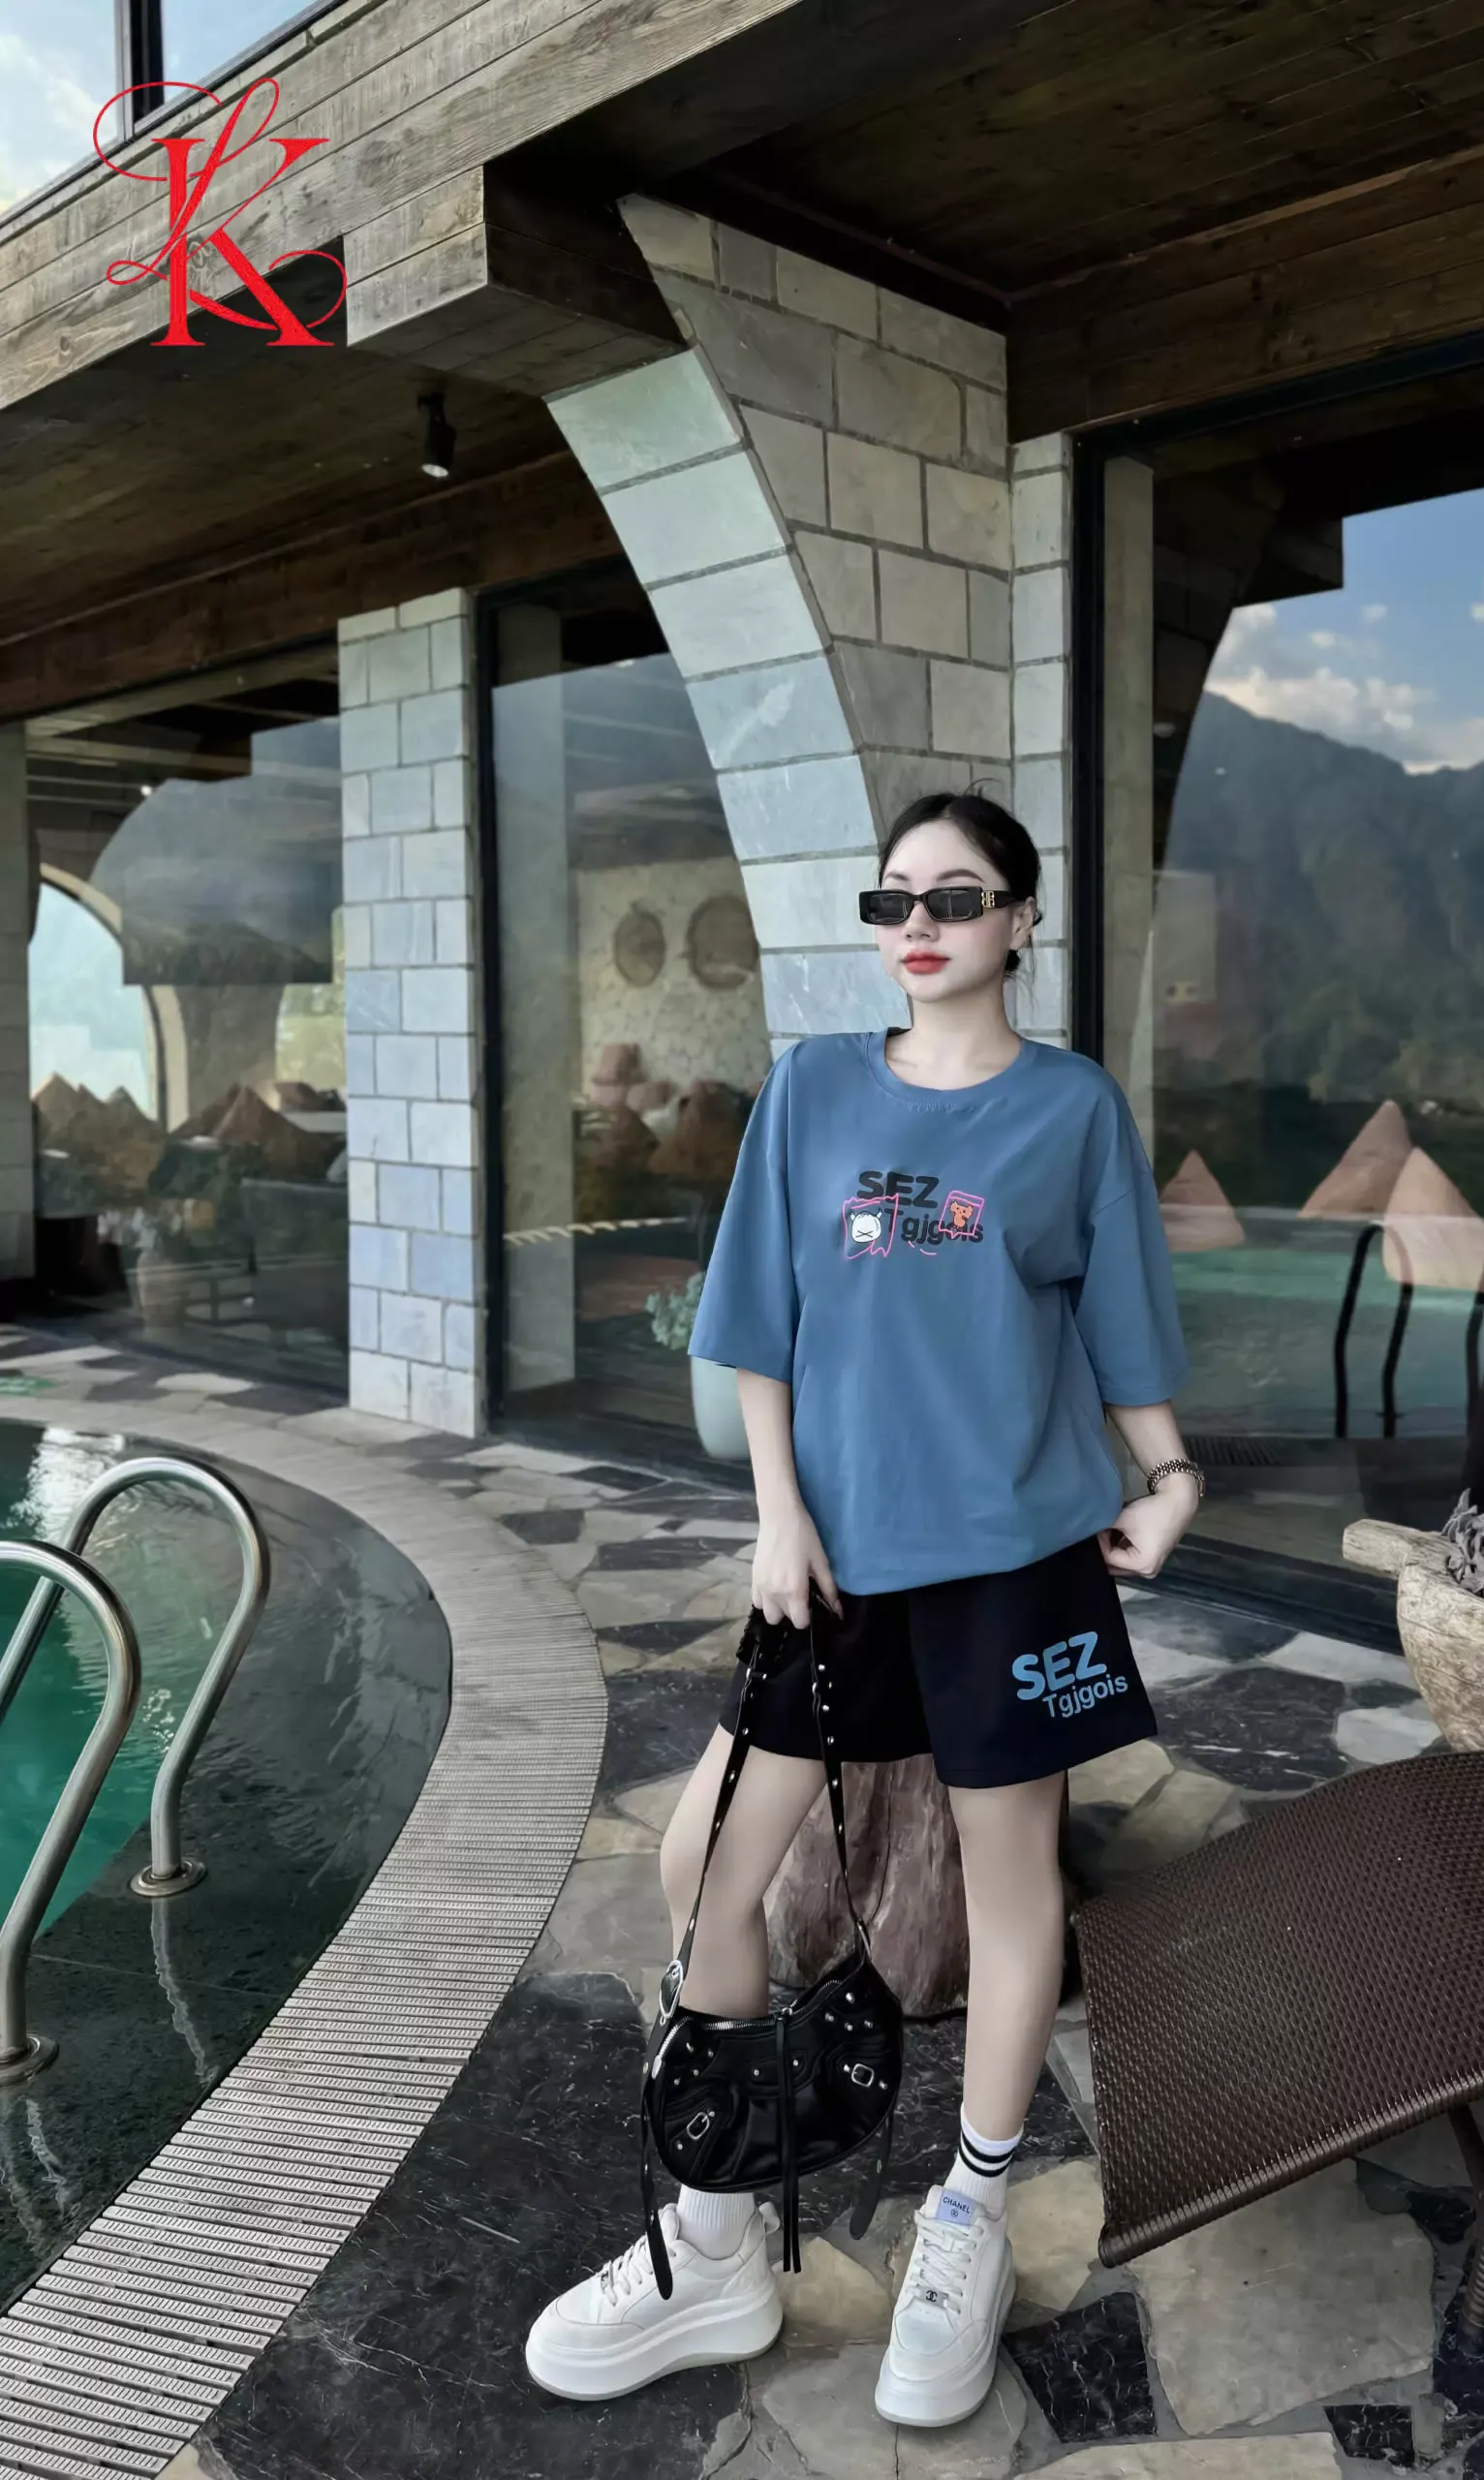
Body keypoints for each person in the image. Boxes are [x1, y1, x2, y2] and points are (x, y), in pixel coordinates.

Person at [525, 790, 1200, 2426]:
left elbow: (1122, 1320)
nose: (920, 925)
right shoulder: (816, 1088)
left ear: (1021, 919)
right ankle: (717, 2240)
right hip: (830, 1560)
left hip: (1016, 1557)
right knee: (707, 1866)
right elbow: (756, 1320)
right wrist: (775, 1511)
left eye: (957, 898)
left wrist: (1170, 1474)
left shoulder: (1072, 1109)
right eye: (894, 898)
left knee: (1013, 1887)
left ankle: (969, 2211)